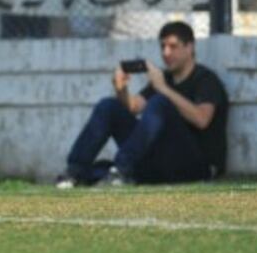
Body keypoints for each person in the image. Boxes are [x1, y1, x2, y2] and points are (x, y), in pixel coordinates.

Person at [56, 21, 229, 186]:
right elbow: (133, 107)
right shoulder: (165, 79)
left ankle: (121, 170)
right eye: (163, 47)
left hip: (195, 167)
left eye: (173, 46)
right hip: (160, 164)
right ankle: (74, 172)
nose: (166, 53)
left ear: (189, 47)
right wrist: (121, 89)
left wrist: (163, 89)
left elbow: (202, 119)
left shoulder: (205, 80)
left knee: (160, 102)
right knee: (109, 106)